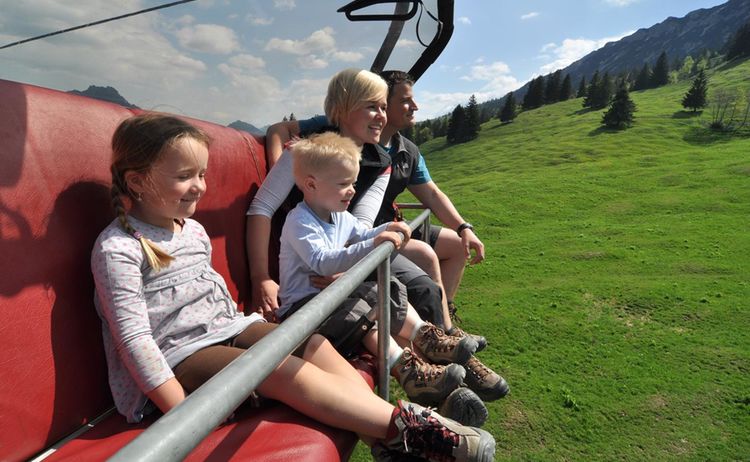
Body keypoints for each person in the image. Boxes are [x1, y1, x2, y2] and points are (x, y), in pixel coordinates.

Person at [91, 112, 495, 461]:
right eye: (184, 177)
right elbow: (135, 339)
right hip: (177, 358)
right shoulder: (118, 249)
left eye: (201, 174)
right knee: (277, 369)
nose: (200, 186)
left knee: (312, 343)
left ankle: (386, 439)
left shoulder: (192, 230)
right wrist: (180, 413)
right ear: (138, 182)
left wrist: (245, 323)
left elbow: (208, 296)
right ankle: (411, 430)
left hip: (227, 329)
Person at [264, 70, 509, 402]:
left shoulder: (390, 158)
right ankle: (422, 365)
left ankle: (433, 340)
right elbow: (320, 256)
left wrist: (387, 231)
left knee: (394, 285)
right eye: (395, 102)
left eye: (383, 106)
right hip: (310, 302)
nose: (409, 108)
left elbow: (364, 224)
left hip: (339, 278)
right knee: (378, 301)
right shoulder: (314, 165)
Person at [278, 131, 488, 426]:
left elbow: (361, 234)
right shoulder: (299, 221)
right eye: (343, 184)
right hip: (304, 310)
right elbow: (321, 262)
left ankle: (426, 338)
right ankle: (409, 367)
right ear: (311, 185)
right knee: (367, 302)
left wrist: (385, 228)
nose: (352, 190)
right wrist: (373, 245)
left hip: (331, 301)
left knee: (389, 285)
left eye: (353, 182)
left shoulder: (339, 214)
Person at [251, 69, 448, 338]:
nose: (382, 116)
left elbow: (361, 223)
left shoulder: (382, 164)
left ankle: (442, 349)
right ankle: (427, 361)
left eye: (383, 107)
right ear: (343, 108)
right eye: (371, 107)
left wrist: (347, 273)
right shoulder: (304, 154)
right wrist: (260, 277)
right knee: (403, 290)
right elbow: (261, 208)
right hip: (308, 263)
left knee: (424, 290)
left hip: (349, 253)